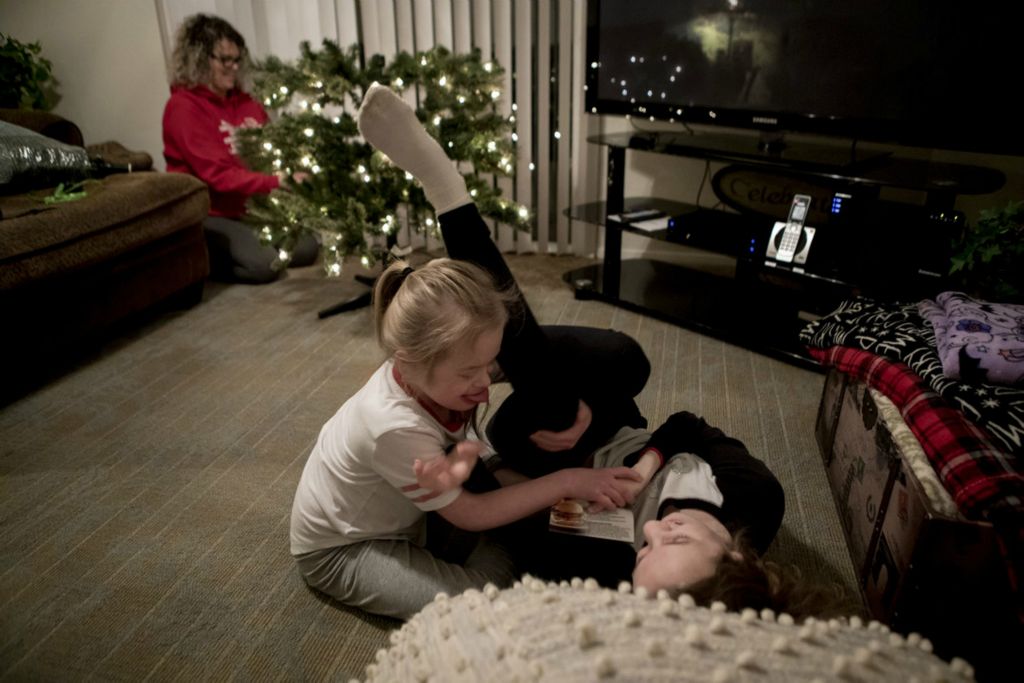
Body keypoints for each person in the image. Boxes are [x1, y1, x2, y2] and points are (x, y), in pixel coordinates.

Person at [354, 83, 847, 620]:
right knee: (628, 358)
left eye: (645, 551)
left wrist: (554, 481)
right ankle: (498, 357)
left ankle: (446, 192)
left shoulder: (606, 573)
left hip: (536, 444)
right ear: (734, 554)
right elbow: (686, 425)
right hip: (612, 419)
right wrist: (642, 468)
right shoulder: (755, 498)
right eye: (674, 542)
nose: (653, 528)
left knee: (546, 401)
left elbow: (511, 512)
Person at [288, 249, 643, 619]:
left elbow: (477, 437)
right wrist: (567, 481)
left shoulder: (433, 374)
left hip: (413, 517)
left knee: (530, 533)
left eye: (490, 363)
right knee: (486, 602)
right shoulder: (392, 426)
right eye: (470, 371)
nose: (486, 383)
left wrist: (571, 403)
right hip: (346, 548)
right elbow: (471, 514)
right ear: (409, 360)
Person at [162, 13, 318, 283]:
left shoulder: (246, 103)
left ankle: (251, 244)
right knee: (264, 265)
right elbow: (218, 176)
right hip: (212, 213)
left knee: (306, 248)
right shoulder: (183, 108)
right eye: (224, 60)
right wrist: (276, 181)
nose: (233, 67)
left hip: (251, 208)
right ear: (199, 58)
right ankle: (204, 259)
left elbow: (273, 148)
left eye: (237, 60)